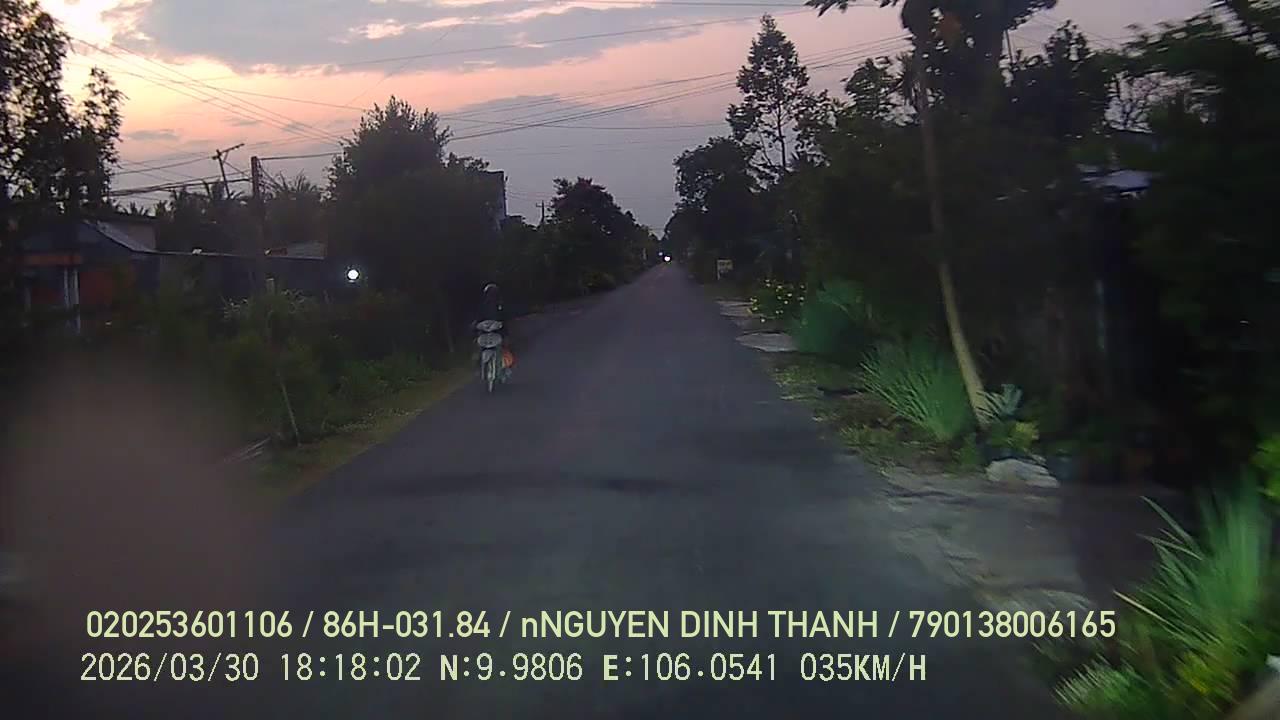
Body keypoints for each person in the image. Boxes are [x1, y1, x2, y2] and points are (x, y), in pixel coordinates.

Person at [476, 283, 514, 380]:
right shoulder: (487, 305)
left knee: (503, 347)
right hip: (487, 331)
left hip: (496, 331)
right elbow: (478, 319)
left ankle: (504, 368)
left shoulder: (497, 305)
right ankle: (482, 367)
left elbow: (504, 318)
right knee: (482, 347)